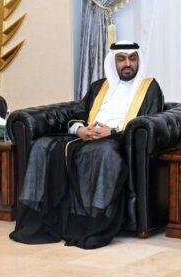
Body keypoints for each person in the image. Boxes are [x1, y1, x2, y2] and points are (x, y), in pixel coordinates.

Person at [10, 41, 164, 248]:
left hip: (119, 140)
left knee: (102, 152)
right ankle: (38, 218)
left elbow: (149, 121)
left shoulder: (150, 88)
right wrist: (81, 130)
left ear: (138, 60)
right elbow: (79, 113)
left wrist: (112, 131)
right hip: (87, 136)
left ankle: (93, 220)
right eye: (121, 59)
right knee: (42, 146)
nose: (127, 64)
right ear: (113, 62)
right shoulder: (99, 87)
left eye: (132, 58)